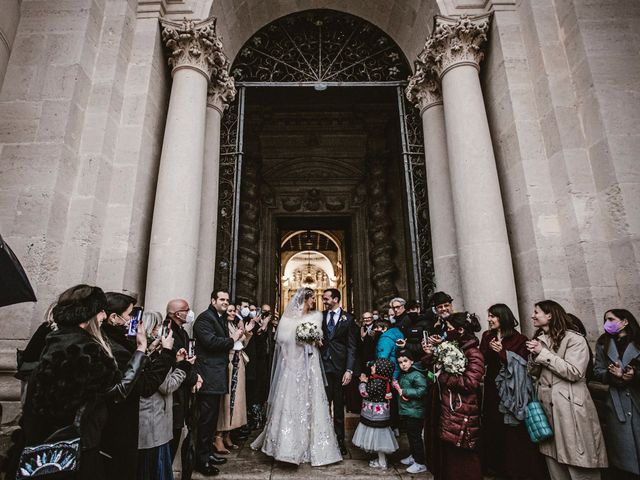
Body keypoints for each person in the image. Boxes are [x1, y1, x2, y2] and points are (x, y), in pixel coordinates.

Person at [18, 285, 147, 480]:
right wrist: (140, 350)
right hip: (78, 446)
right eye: (101, 311)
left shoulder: (53, 341)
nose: (104, 316)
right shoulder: (86, 351)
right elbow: (119, 390)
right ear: (90, 316)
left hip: (44, 443)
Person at [251, 287, 342, 466]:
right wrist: (292, 358)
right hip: (294, 364)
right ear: (305, 299)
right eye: (312, 298)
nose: (314, 301)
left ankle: (315, 446)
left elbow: (319, 339)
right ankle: (288, 446)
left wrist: (316, 339)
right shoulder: (290, 318)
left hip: (312, 363)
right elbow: (283, 343)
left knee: (313, 400)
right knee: (292, 401)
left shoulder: (315, 317)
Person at [526, 300, 607, 480]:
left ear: (550, 315)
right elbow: (533, 372)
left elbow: (574, 372)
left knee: (578, 460)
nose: (532, 315)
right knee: (555, 467)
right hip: (547, 410)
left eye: (536, 312)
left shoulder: (575, 339)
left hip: (570, 409)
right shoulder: (539, 339)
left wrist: (543, 353)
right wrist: (533, 356)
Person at [101, 292, 173, 480]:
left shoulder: (115, 342)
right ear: (114, 318)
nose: (133, 319)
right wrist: (165, 352)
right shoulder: (117, 349)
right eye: (130, 314)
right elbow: (145, 386)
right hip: (119, 428)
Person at [479, 303, 547, 480]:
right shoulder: (487, 336)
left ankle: (515, 470)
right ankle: (495, 467)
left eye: (493, 316)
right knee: (493, 425)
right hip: (493, 387)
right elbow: (482, 360)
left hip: (512, 391)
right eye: (489, 316)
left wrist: (502, 352)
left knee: (512, 430)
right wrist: (488, 350)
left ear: (503, 317)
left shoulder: (519, 339)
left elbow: (522, 366)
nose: (489, 319)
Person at [421, 312, 484, 480]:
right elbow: (434, 367)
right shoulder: (451, 347)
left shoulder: (473, 353)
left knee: (461, 456)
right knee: (446, 454)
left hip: (461, 409)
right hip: (446, 407)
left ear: (461, 330)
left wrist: (442, 375)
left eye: (449, 328)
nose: (446, 331)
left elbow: (470, 382)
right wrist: (430, 355)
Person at [138, 311, 192, 480]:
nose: (161, 329)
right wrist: (183, 366)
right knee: (154, 469)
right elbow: (166, 385)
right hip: (153, 420)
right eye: (158, 326)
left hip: (151, 420)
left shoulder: (148, 353)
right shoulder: (153, 357)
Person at [193, 290, 239, 476]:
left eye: (227, 300)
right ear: (213, 300)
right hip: (209, 375)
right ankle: (201, 461)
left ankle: (208, 453)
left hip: (217, 374)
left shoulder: (219, 317)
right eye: (222, 299)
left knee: (211, 419)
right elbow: (210, 343)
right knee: (206, 419)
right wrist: (232, 340)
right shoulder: (205, 319)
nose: (225, 302)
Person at [593, 309, 640, 479]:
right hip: (616, 403)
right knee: (623, 455)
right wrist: (612, 375)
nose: (608, 323)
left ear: (625, 321)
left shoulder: (637, 342)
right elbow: (597, 371)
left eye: (611, 319)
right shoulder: (602, 344)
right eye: (605, 320)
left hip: (636, 398)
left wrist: (633, 375)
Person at [320, 288, 357, 455]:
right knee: (323, 404)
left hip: (340, 368)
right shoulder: (320, 317)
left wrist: (349, 370)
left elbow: (351, 347)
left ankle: (340, 440)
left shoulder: (348, 319)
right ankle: (323, 439)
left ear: (335, 299)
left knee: (339, 405)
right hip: (322, 367)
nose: (324, 301)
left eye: (326, 298)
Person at [165, 298, 200, 461]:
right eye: (187, 310)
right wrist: (193, 378)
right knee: (172, 436)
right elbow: (176, 363)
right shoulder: (169, 332)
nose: (190, 313)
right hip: (175, 394)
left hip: (183, 390)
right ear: (178, 314)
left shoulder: (182, 332)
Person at [214, 304, 250, 454]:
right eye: (229, 310)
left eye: (234, 311)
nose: (232, 313)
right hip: (228, 364)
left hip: (238, 362)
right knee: (227, 400)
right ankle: (218, 436)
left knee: (237, 401)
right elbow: (226, 343)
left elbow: (242, 345)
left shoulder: (234, 325)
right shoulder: (221, 326)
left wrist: (246, 331)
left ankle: (228, 433)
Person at [352, 358, 399, 469]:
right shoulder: (383, 380)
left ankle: (382, 462)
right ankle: (381, 459)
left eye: (374, 366)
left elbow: (365, 393)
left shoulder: (377, 382)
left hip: (375, 417)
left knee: (378, 441)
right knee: (379, 440)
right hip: (379, 416)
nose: (372, 367)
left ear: (381, 370)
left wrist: (363, 382)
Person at [395, 349, 429, 474]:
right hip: (408, 411)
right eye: (400, 362)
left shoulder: (417, 374)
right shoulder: (405, 374)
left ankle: (420, 462)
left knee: (415, 437)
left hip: (416, 412)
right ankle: (413, 456)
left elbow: (422, 390)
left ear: (412, 361)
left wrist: (404, 391)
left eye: (405, 361)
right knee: (410, 435)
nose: (403, 364)